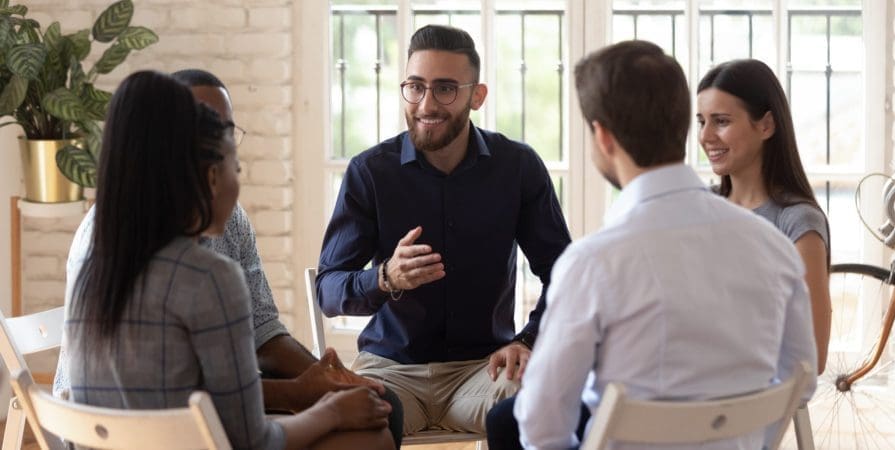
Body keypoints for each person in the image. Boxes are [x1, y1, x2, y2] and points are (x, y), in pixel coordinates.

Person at [53, 69, 405, 448]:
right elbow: (252, 440)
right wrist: (326, 409)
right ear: (208, 175)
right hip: (187, 437)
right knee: (373, 438)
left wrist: (316, 384)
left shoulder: (102, 260)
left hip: (106, 440)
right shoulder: (208, 277)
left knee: (375, 413)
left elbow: (257, 338)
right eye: (233, 165)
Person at [514, 41, 818, 449]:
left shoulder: (592, 264)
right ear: (683, 125)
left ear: (602, 137)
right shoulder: (774, 249)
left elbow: (541, 423)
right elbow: (801, 379)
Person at [316, 24, 571, 434]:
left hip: (483, 370)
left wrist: (527, 340)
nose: (426, 104)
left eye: (445, 89)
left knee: (539, 402)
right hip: (391, 370)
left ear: (477, 95)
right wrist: (385, 278)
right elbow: (328, 290)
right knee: (356, 419)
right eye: (415, 87)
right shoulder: (370, 172)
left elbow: (565, 274)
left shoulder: (518, 167)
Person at [697, 59, 832, 374]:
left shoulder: (798, 223)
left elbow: (813, 358)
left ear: (767, 125)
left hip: (752, 404)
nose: (706, 136)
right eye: (701, 121)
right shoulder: (701, 207)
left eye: (721, 121)